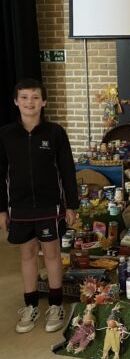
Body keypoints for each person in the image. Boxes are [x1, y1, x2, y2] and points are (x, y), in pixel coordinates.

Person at [0, 78, 78, 334]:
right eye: (24, 97)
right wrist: (2, 209)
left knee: (52, 254)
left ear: (43, 101)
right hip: (20, 207)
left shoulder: (55, 132)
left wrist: (71, 204)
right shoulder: (6, 134)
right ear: (15, 101)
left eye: (35, 97)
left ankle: (55, 304)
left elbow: (67, 170)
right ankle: (30, 304)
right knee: (27, 255)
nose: (29, 102)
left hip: (50, 206)